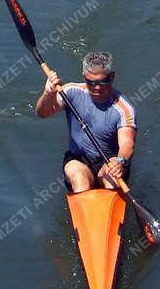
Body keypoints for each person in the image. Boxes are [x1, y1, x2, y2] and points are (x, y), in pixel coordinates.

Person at [36, 50, 137, 193]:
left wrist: (120, 161)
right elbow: (42, 113)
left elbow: (127, 143)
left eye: (102, 81)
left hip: (110, 161)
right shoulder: (70, 92)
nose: (97, 87)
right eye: (91, 82)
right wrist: (48, 94)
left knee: (112, 180)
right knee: (80, 179)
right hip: (78, 160)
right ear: (84, 77)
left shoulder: (123, 108)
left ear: (112, 77)